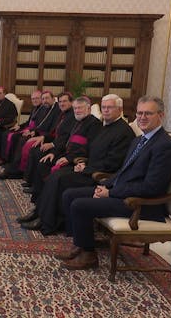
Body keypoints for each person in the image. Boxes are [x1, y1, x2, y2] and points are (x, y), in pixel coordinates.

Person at [57, 96, 171, 270]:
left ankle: (88, 256)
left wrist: (111, 192)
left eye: (148, 113)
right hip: (124, 192)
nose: (142, 117)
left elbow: (152, 187)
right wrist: (106, 185)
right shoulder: (140, 140)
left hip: (141, 204)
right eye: (139, 113)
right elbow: (123, 171)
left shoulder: (165, 146)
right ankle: (81, 243)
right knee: (69, 194)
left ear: (161, 115)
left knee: (79, 205)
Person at [18, 94, 135, 235]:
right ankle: (40, 214)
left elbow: (113, 163)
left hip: (99, 176)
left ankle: (48, 222)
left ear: (120, 109)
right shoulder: (107, 126)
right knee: (54, 176)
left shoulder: (123, 132)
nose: (106, 110)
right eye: (104, 107)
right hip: (88, 167)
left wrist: (86, 167)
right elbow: (92, 151)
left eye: (110, 107)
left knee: (58, 178)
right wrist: (84, 162)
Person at [22, 96, 101, 199]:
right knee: (43, 161)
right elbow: (67, 140)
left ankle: (43, 197)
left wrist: (68, 159)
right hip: (65, 153)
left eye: (80, 108)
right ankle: (38, 195)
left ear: (89, 109)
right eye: (75, 108)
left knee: (50, 169)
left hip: (76, 160)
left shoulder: (95, 124)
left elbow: (88, 149)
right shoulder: (78, 121)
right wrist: (53, 153)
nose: (77, 111)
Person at [0, 91, 64, 177]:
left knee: (23, 141)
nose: (45, 101)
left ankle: (19, 169)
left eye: (47, 98)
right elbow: (39, 124)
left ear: (53, 99)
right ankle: (14, 165)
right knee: (16, 137)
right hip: (39, 133)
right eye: (43, 98)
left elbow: (53, 129)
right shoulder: (44, 108)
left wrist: (38, 134)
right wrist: (34, 131)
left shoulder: (57, 109)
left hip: (47, 136)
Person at [0, 90, 44, 162]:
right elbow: (28, 122)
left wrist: (31, 130)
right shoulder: (34, 108)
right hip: (28, 128)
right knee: (6, 133)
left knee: (15, 137)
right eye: (33, 99)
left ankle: (13, 161)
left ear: (42, 99)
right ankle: (6, 159)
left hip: (34, 132)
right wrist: (19, 126)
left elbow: (42, 125)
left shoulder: (44, 109)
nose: (35, 100)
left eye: (37, 98)